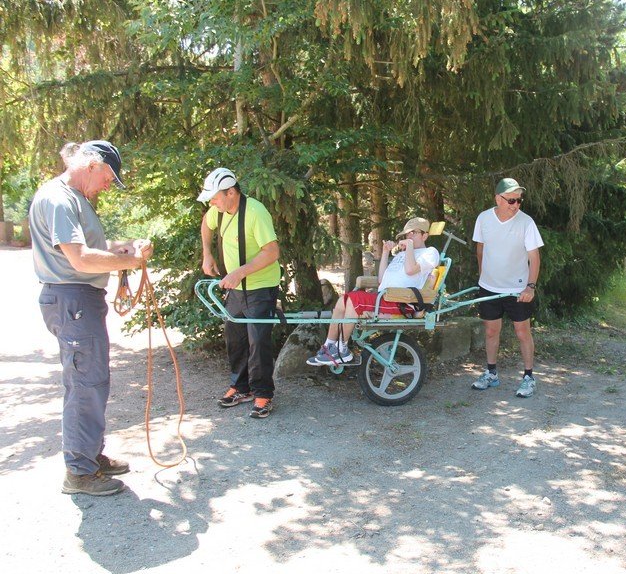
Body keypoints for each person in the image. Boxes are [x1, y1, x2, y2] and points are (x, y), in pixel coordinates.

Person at [29, 140, 154, 496]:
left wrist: (126, 246)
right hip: (73, 299)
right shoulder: (59, 199)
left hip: (79, 300)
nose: (108, 186)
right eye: (109, 178)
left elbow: (90, 247)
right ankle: (80, 472)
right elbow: (80, 259)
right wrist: (130, 262)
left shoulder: (73, 199)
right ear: (92, 165)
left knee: (92, 381)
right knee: (85, 384)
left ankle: (89, 455)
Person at [199, 168, 281, 419]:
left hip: (260, 288)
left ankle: (263, 394)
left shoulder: (256, 212)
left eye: (214, 197)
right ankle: (241, 387)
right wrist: (207, 253)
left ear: (231, 192)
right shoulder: (219, 211)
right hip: (235, 288)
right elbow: (205, 223)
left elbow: (272, 252)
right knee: (235, 339)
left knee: (258, 342)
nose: (211, 202)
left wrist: (240, 272)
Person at [307, 217, 440, 366]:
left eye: (413, 233)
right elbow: (381, 280)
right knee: (342, 301)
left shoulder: (430, 252)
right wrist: (385, 253)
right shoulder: (401, 254)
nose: (409, 237)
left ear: (425, 235)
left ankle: (342, 350)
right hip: (384, 297)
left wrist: (408, 248)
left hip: (401, 301)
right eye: (407, 234)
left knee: (354, 300)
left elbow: (410, 270)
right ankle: (329, 347)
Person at [471, 178, 544, 398]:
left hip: (517, 289)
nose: (515, 205)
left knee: (522, 332)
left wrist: (530, 287)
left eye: (519, 201)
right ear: (498, 198)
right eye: (511, 200)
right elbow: (480, 250)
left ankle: (529, 377)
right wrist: (484, 277)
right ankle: (491, 373)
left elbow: (534, 257)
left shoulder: (526, 222)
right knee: (491, 331)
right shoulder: (484, 218)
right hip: (489, 288)